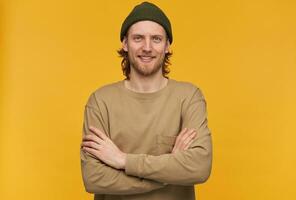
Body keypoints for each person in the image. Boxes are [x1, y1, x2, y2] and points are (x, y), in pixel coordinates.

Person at [80, 1, 212, 200]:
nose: (147, 47)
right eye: (138, 38)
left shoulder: (189, 97)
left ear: (167, 46)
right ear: (125, 43)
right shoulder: (100, 101)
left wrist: (123, 160)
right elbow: (94, 178)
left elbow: (199, 167)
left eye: (156, 39)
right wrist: (170, 169)